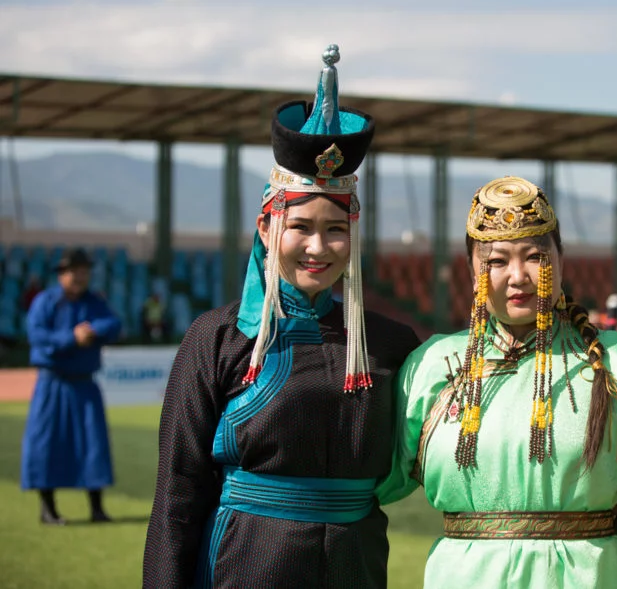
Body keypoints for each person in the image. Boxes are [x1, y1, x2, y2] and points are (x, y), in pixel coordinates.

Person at [142, 45, 421, 588]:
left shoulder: (392, 345)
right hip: (246, 565)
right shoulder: (218, 339)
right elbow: (177, 497)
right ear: (268, 229)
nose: (319, 246)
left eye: (336, 229)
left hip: (356, 567)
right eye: (301, 227)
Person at [378, 176, 617, 589]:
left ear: (562, 259)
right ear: (471, 269)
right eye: (496, 261)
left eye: (535, 257)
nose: (518, 276)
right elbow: (372, 481)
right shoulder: (434, 366)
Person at [21, 247, 121, 525]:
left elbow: (113, 323)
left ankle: (97, 508)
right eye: (74, 271)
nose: (80, 276)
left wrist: (93, 332)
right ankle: (47, 508)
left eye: (84, 272)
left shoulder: (93, 301)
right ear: (62, 274)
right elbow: (37, 335)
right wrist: (71, 337)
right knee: (46, 444)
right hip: (52, 384)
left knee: (93, 444)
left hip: (84, 384)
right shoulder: (45, 301)